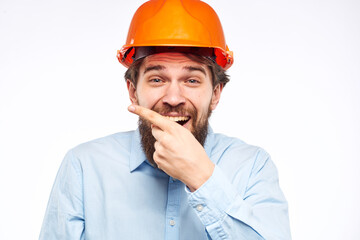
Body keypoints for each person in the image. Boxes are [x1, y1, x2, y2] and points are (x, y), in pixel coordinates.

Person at [39, 0, 291, 239]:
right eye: (157, 79)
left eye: (191, 80)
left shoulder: (252, 167)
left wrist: (202, 177)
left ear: (215, 94)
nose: (173, 98)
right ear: (132, 91)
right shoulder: (83, 166)